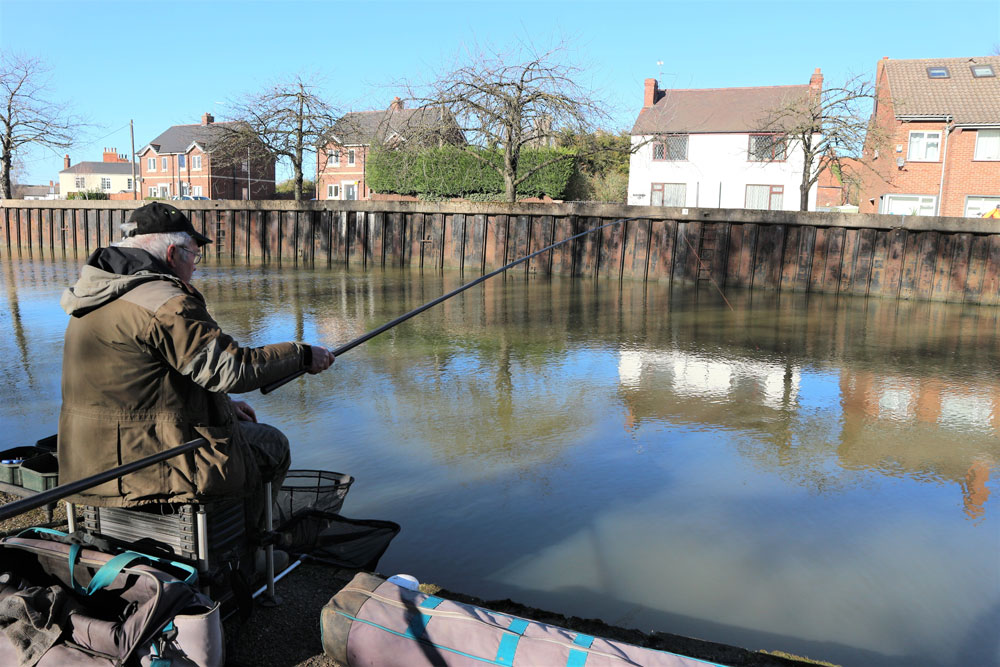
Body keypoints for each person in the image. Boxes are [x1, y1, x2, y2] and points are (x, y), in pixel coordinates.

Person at [58, 201, 334, 536]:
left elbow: (139, 380)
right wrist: (302, 354)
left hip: (86, 459)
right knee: (272, 445)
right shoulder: (165, 302)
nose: (196, 266)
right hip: (146, 463)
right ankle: (254, 547)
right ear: (173, 253)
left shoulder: (97, 290)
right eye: (194, 253)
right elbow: (233, 368)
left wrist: (220, 405)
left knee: (234, 425)